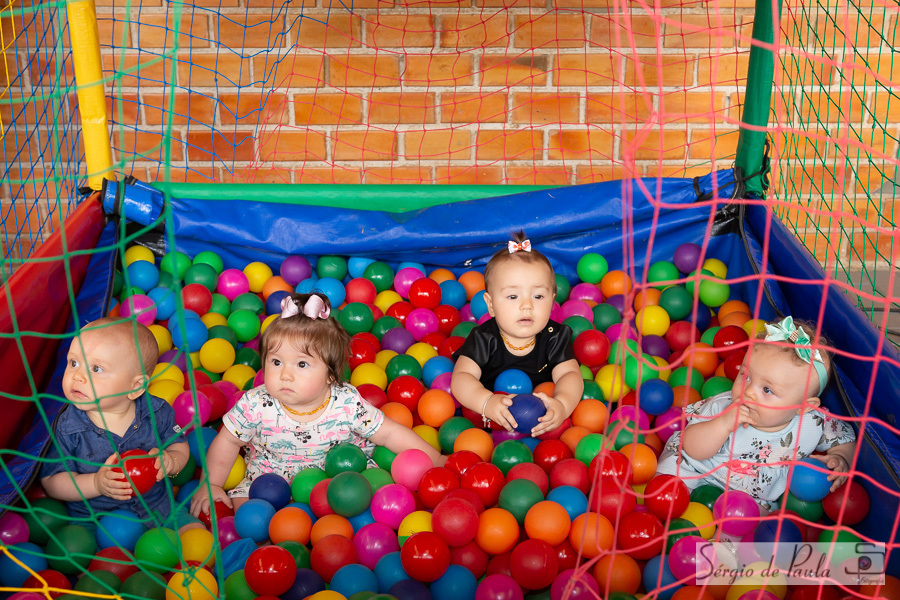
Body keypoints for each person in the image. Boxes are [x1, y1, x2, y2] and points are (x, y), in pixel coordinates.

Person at [190, 292, 444, 517]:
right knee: (245, 513)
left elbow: (389, 433)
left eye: (301, 364)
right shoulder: (255, 404)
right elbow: (227, 441)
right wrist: (210, 485)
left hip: (339, 480)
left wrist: (435, 460)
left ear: (331, 375)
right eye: (276, 362)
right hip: (269, 480)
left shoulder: (345, 402)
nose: (285, 375)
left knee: (372, 502)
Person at [656, 316, 857, 510]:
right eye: (746, 376)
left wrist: (841, 459)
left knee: (755, 525)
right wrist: (723, 424)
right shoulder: (724, 407)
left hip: (749, 495)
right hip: (697, 470)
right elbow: (692, 448)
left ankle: (719, 544)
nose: (749, 391)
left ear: (804, 406)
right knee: (666, 486)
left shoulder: (812, 421)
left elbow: (844, 437)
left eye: (767, 390)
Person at [41, 317, 195, 530]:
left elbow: (178, 443)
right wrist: (96, 483)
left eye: (96, 369)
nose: (78, 376)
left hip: (158, 510)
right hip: (94, 523)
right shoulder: (66, 426)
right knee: (85, 556)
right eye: (73, 363)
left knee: (193, 533)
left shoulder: (156, 411)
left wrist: (172, 461)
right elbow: (52, 481)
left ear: (135, 387)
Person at [450, 232, 584, 436]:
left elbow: (569, 375)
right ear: (491, 304)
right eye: (513, 296)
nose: (527, 305)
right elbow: (461, 378)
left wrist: (562, 405)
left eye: (538, 296)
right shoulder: (484, 337)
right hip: (490, 427)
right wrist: (487, 402)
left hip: (543, 426)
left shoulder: (555, 336)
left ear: (552, 301)